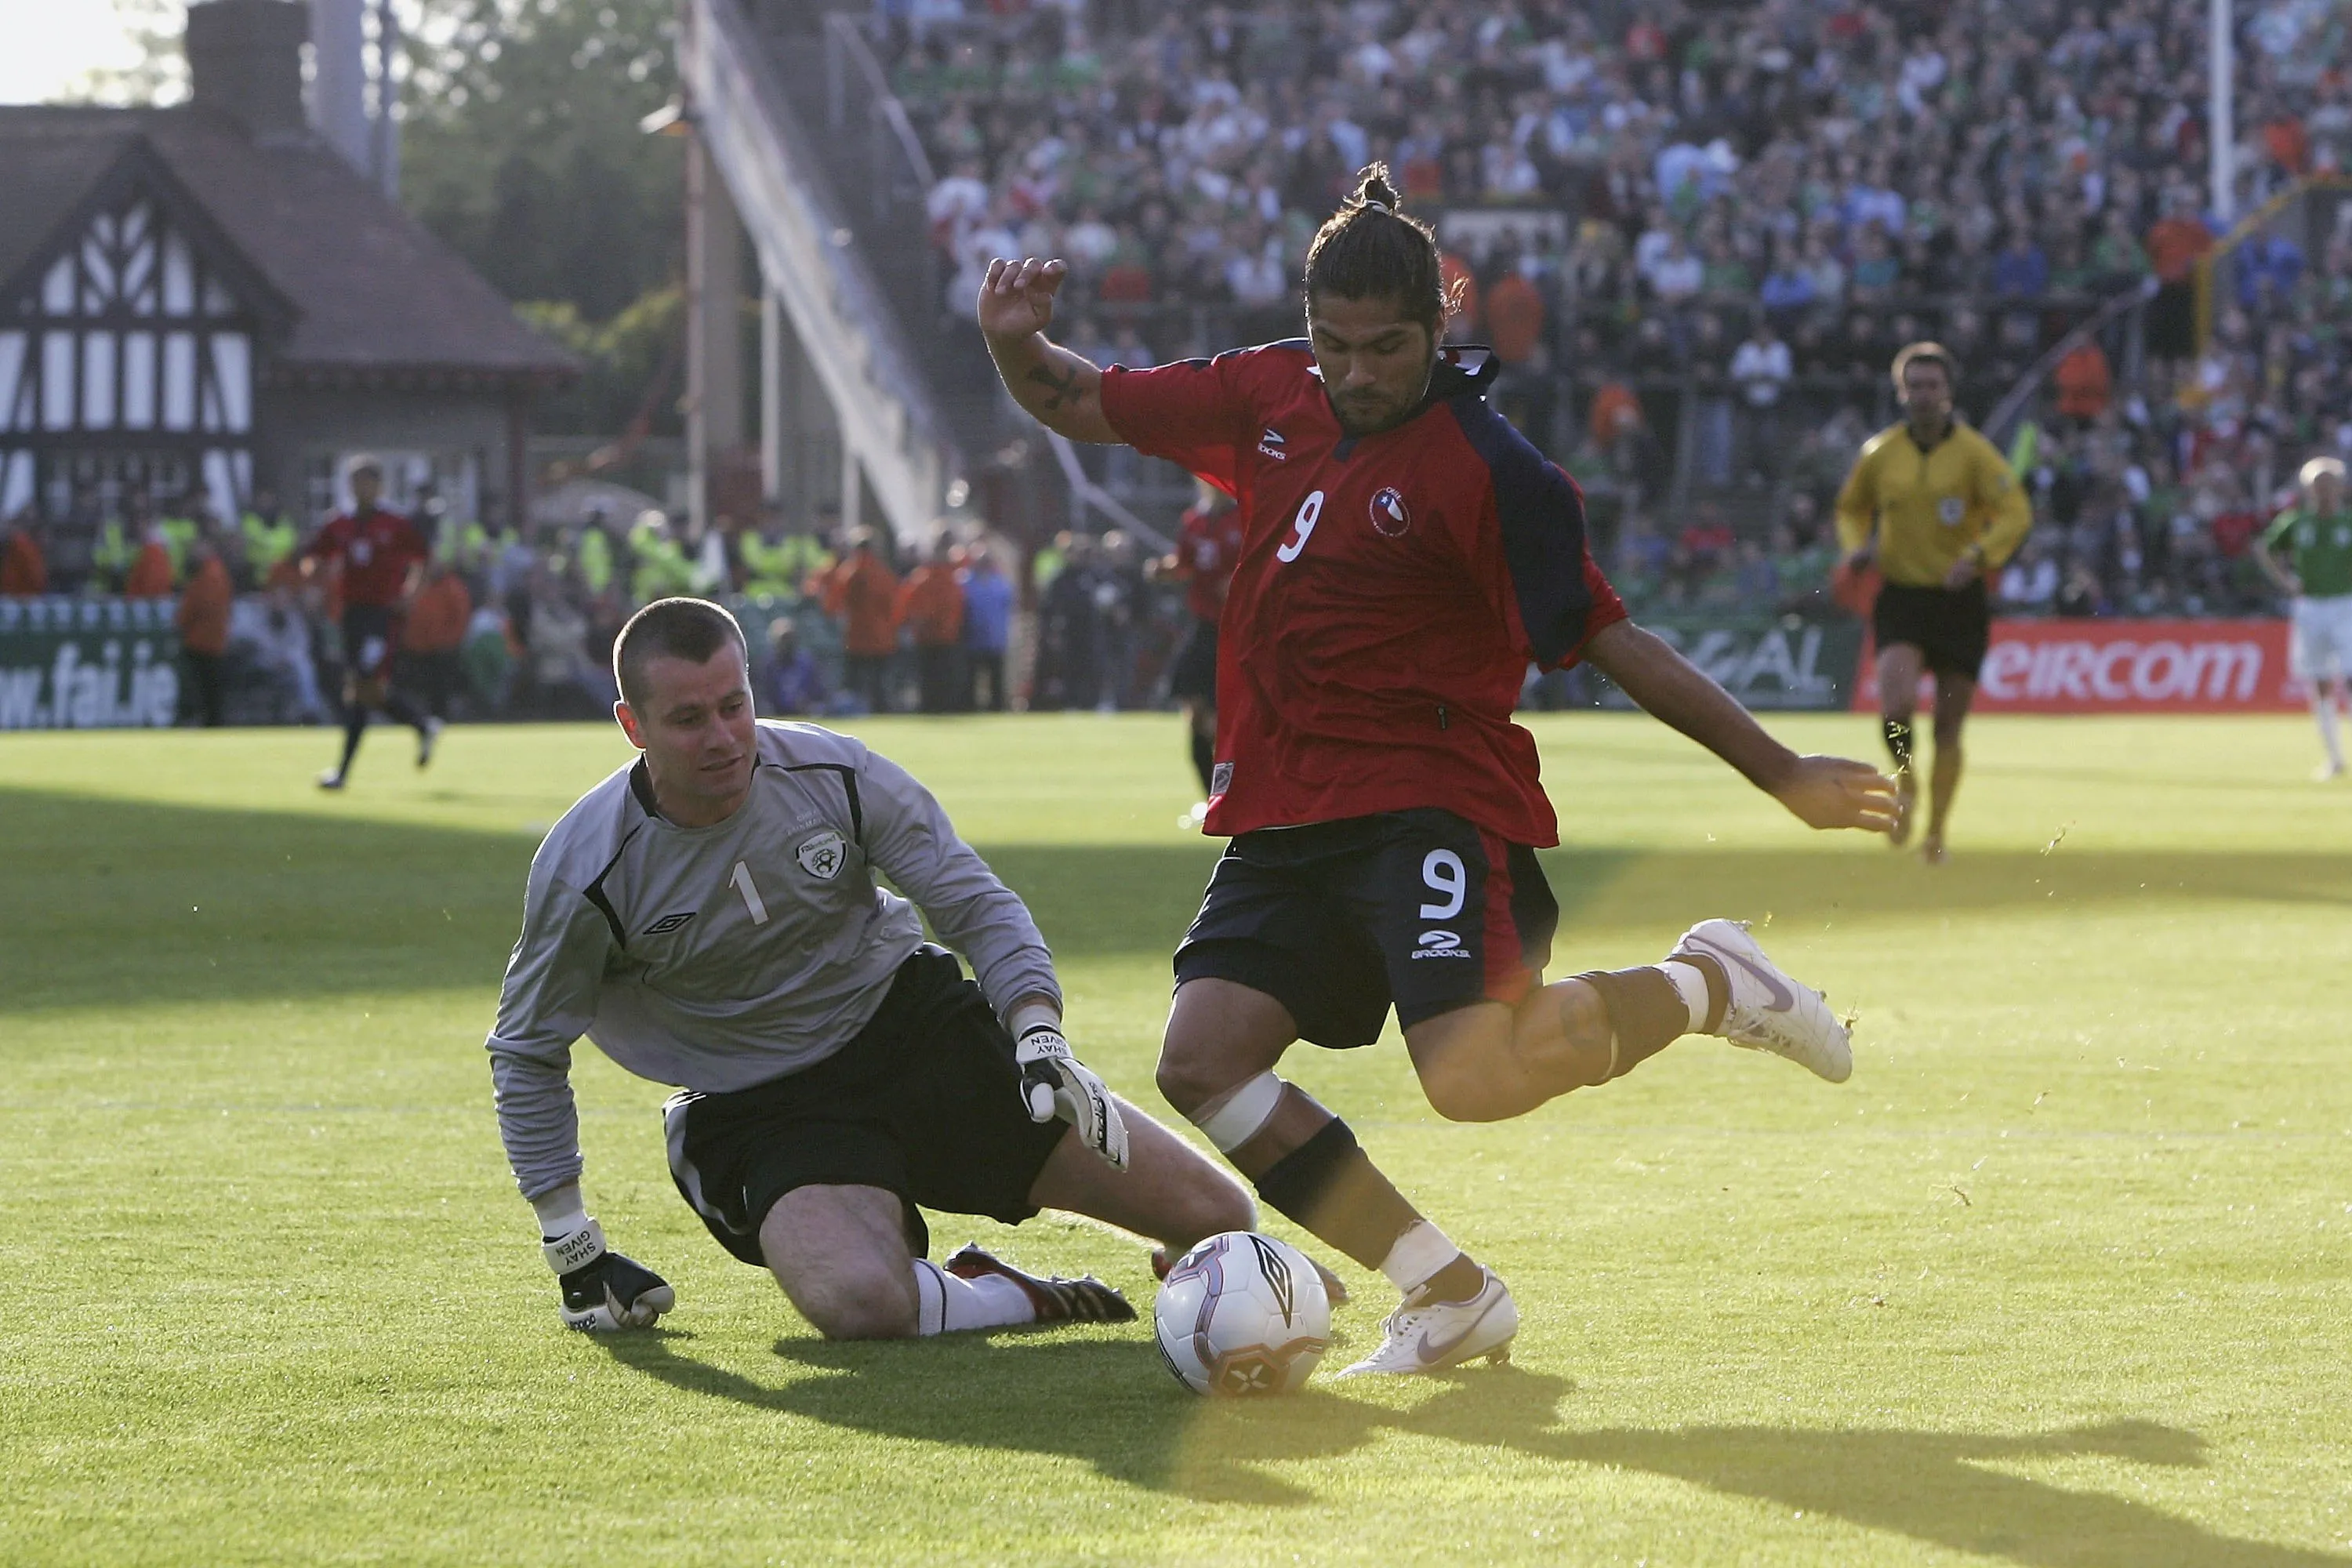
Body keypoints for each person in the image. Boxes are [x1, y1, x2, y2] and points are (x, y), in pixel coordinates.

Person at [977, 165, 1896, 1377]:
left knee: (1473, 1077)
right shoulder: (1263, 392)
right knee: (1201, 1059)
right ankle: (1448, 1292)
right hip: (1285, 817)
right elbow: (1079, 399)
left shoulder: (1494, 470)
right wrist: (1011, 343)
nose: (1359, 373)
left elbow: (1612, 639)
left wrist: (1780, 771)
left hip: (1432, 804)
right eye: (1337, 346)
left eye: (1389, 348)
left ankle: (1705, 987)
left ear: (1439, 326)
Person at [484, 597, 1253, 1338]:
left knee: (1219, 1216)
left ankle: (1214, 1297)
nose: (721, 736)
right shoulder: (587, 868)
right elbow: (526, 1046)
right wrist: (572, 1246)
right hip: (764, 1103)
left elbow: (973, 902)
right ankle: (1006, 1295)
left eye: (734, 705)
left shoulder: (835, 772)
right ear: (632, 725)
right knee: (860, 1303)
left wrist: (1039, 1034)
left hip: (911, 1026)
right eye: (687, 719)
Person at [1835, 343, 2034, 862]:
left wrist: (1981, 554)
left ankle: (1937, 832)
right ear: (1902, 393)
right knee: (1896, 705)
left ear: (1948, 393)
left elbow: (2015, 511)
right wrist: (1856, 549)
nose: (1924, 396)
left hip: (1958, 600)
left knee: (1949, 728)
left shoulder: (1973, 453)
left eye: (1933, 386)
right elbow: (1851, 509)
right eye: (1915, 386)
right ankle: (1906, 780)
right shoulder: (1881, 454)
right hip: (1901, 596)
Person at [301, 456, 442, 788]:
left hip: (383, 616)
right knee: (368, 690)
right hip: (352, 615)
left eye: (366, 482)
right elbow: (313, 557)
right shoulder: (340, 524)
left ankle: (343, 772)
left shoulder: (395, 524)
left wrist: (409, 595)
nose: (360, 489)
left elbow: (423, 561)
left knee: (362, 686)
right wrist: (315, 579)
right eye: (355, 482)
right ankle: (422, 725)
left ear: (379, 486)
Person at [1149, 477, 1244, 815]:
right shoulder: (1194, 521)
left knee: (1225, 717)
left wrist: (1238, 581)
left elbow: (1263, 560)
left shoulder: (1244, 518)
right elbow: (1185, 562)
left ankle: (1231, 793)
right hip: (1204, 625)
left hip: (1237, 629)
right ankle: (1213, 799)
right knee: (1192, 704)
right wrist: (1164, 570)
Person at [2254, 457, 2352, 779]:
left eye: (2329, 483)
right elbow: (2265, 548)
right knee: (2320, 682)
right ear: (2309, 488)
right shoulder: (2296, 522)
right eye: (2317, 484)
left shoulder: (2348, 522)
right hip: (2310, 607)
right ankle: (2335, 757)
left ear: (2340, 487)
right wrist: (2286, 582)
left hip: (2345, 604)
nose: (2323, 490)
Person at [816, 529, 901, 713]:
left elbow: (832, 604)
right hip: (882, 637)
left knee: (854, 683)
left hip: (856, 637)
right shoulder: (883, 572)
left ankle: (854, 711)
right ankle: (882, 711)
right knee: (880, 683)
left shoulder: (848, 571)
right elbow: (894, 605)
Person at [896, 536, 967, 713]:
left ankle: (930, 707)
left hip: (928, 637)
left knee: (928, 678)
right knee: (943, 678)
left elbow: (909, 607)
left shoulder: (921, 578)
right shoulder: (950, 579)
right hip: (944, 637)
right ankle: (942, 707)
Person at [176, 536, 233, 727]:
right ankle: (212, 723)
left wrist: (182, 622)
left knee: (202, 690)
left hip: (202, 642)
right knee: (212, 692)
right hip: (214, 641)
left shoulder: (208, 575)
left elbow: (196, 606)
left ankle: (206, 723)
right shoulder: (216, 572)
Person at [959, 546, 1014, 711]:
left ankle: (997, 709)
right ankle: (970, 709)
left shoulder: (1001, 584)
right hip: (972, 640)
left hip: (995, 640)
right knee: (971, 679)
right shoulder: (965, 582)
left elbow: (1008, 607)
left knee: (996, 680)